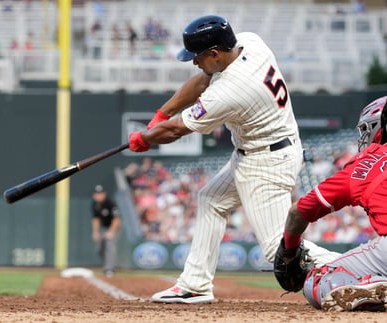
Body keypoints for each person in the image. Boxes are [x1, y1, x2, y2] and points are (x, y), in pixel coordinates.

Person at [128, 15, 339, 304]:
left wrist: (144, 138)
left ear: (215, 53)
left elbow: (178, 130)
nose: (193, 61)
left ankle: (363, 267)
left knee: (275, 248)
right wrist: (161, 115)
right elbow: (202, 82)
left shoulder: (231, 90)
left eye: (197, 56)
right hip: (261, 150)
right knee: (211, 199)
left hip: (266, 161)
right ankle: (195, 284)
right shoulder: (250, 42)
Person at [277, 96, 387, 311]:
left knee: (318, 279)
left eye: (366, 129)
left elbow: (298, 213)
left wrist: (289, 252)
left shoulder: (366, 164)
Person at [91, 185, 121, 277]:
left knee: (109, 245)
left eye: (100, 193)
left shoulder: (110, 202)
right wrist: (95, 232)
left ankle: (109, 268)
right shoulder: (94, 204)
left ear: (104, 194)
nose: (98, 196)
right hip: (103, 227)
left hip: (114, 227)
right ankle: (107, 265)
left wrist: (111, 232)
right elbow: (96, 219)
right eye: (97, 194)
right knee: (100, 249)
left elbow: (116, 219)